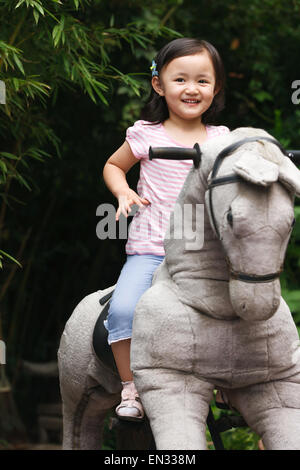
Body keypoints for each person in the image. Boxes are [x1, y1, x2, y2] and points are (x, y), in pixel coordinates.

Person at [102, 37, 230, 421]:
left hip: (204, 253)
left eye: (202, 81)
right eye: (180, 79)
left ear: (216, 86)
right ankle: (131, 387)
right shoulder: (145, 134)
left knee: (237, 309)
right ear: (159, 84)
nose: (191, 89)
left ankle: (226, 380)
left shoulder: (222, 139)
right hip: (151, 249)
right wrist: (123, 192)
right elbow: (113, 165)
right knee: (124, 309)